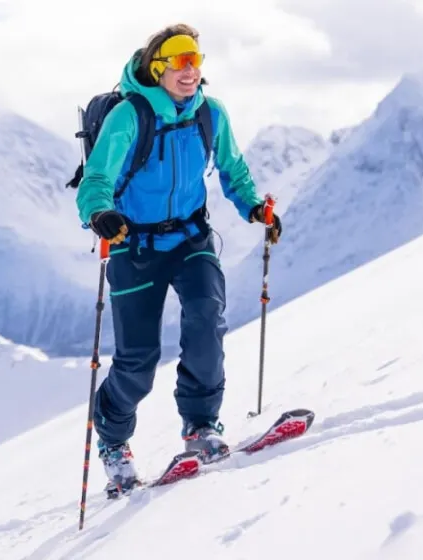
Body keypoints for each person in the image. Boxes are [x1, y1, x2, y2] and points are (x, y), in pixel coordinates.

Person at [75, 23, 284, 493]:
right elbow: (96, 179)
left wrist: (253, 206)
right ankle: (113, 442)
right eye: (180, 62)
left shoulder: (211, 114)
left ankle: (201, 426)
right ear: (158, 67)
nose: (190, 70)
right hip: (135, 245)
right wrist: (100, 213)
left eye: (196, 61)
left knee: (207, 321)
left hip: (192, 240)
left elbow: (232, 167)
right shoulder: (130, 116)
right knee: (137, 361)